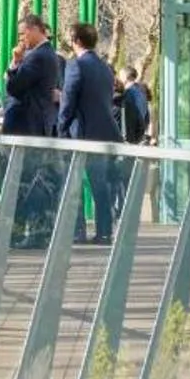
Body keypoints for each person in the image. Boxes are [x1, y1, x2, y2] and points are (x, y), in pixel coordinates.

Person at [58, 23, 123, 242]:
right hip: (103, 133)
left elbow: (68, 102)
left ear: (75, 40)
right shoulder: (104, 67)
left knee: (74, 185)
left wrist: (61, 129)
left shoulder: (76, 66)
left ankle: (78, 231)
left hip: (81, 135)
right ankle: (104, 232)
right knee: (100, 186)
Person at [1, 13, 61, 137]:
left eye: (22, 34)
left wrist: (15, 63)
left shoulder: (37, 57)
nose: (20, 39)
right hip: (37, 124)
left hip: (26, 126)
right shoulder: (48, 53)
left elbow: (13, 87)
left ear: (35, 29)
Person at [118, 65, 152, 145]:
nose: (119, 79)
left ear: (125, 77)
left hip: (130, 137)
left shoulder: (129, 93)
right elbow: (146, 116)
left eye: (120, 76)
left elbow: (127, 117)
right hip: (138, 135)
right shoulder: (141, 92)